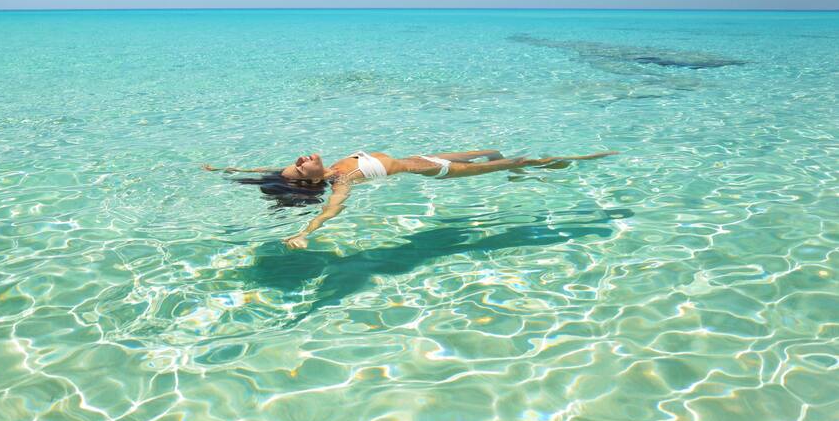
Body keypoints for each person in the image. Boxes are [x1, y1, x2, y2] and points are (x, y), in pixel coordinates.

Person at [203, 148, 617, 249]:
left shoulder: (326, 169)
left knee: (490, 151)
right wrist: (307, 231)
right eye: (299, 166)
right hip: (430, 168)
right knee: (510, 161)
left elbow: (264, 168)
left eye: (296, 162)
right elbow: (335, 208)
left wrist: (227, 171)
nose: (300, 159)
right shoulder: (341, 180)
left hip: (421, 154)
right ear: (310, 182)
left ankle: (519, 171)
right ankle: (561, 163)